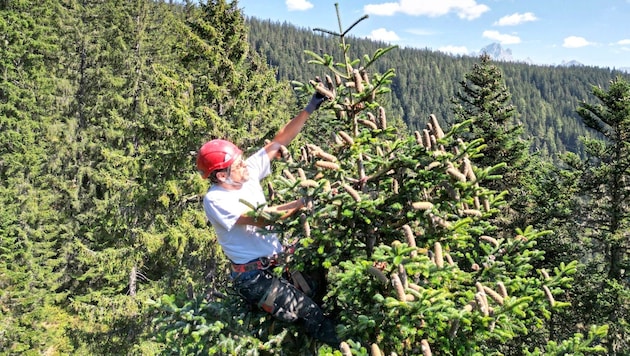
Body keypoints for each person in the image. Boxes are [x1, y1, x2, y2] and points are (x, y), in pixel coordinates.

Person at [196, 92, 340, 347]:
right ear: (220, 176)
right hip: (253, 278)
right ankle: (345, 348)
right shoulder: (216, 200)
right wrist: (302, 201)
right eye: (238, 165)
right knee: (310, 313)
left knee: (322, 286)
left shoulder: (245, 174)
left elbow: (279, 141)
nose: (245, 167)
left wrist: (310, 107)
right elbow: (261, 219)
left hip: (278, 261)